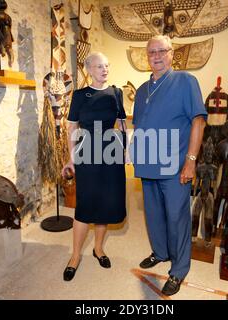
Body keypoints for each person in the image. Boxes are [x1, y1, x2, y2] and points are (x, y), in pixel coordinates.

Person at [130, 35, 207, 296]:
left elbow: (198, 121)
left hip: (175, 167)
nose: (157, 55)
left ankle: (179, 269)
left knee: (177, 218)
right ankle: (160, 252)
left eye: (162, 50)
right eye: (152, 52)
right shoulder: (141, 91)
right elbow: (140, 126)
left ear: (172, 54)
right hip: (148, 166)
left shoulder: (186, 81)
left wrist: (191, 161)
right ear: (147, 56)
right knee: (153, 216)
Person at [61, 52, 127, 281]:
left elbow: (121, 124)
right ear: (89, 69)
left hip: (111, 154)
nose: (104, 69)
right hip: (86, 152)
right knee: (85, 203)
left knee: (106, 202)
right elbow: (71, 128)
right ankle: (75, 256)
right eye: (99, 66)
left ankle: (98, 249)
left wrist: (126, 150)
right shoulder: (80, 95)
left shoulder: (116, 93)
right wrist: (70, 158)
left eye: (107, 65)